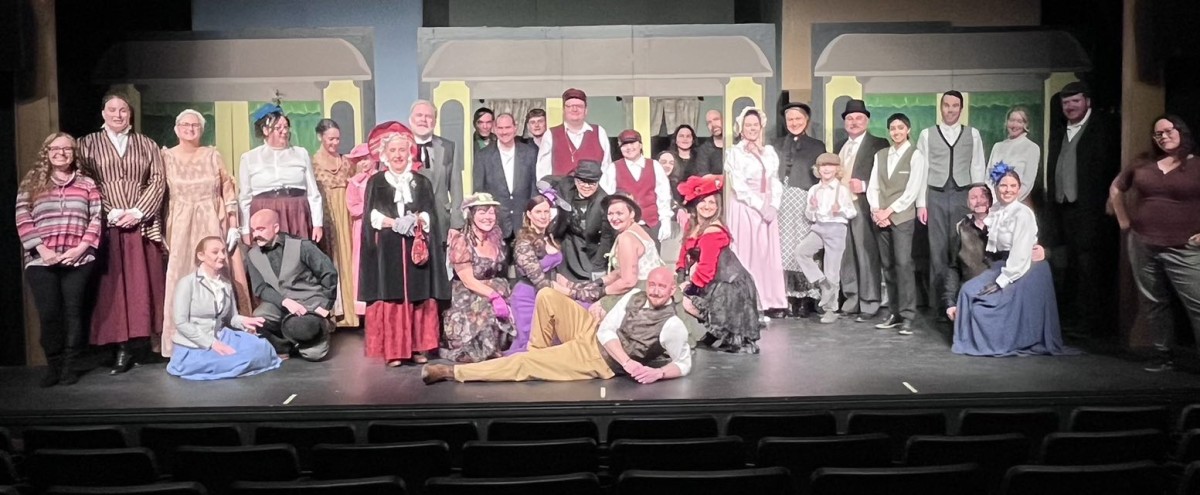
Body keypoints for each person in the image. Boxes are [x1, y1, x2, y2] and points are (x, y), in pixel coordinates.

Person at [421, 267, 692, 385]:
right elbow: (606, 329)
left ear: (672, 290)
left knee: (523, 363)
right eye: (652, 284)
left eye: (661, 287)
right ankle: (539, 355)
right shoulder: (636, 295)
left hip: (598, 358)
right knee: (547, 295)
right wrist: (629, 361)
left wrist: (658, 373)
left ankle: (453, 372)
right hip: (593, 334)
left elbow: (683, 363)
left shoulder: (672, 325)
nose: (655, 291)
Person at [76, 93, 167, 373]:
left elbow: (158, 179)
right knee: (113, 289)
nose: (118, 115)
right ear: (103, 113)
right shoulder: (86, 144)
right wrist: (111, 211)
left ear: (130, 113)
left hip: (142, 224)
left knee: (143, 286)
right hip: (107, 223)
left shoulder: (146, 144)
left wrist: (138, 212)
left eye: (123, 110)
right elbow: (84, 180)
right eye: (112, 110)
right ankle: (119, 346)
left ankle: (142, 344)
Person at [1111, 115, 1200, 372]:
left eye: (1169, 131)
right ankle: (1163, 355)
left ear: (1181, 131)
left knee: (1197, 303)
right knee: (1154, 301)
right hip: (1143, 242)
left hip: (1184, 246)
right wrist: (1124, 221)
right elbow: (1116, 188)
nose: (1163, 137)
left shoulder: (1196, 165)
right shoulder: (1144, 163)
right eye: (1158, 134)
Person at [161, 109, 251, 358]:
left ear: (201, 129)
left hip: (210, 220)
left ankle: (222, 336)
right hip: (180, 224)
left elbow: (227, 189)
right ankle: (179, 343)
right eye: (185, 125)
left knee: (216, 272)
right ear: (176, 129)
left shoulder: (212, 155)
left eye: (195, 125)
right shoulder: (166, 156)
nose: (190, 129)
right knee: (181, 278)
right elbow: (161, 193)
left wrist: (233, 224)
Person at [951, 167, 1068, 357]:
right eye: (1003, 185)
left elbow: (1020, 253)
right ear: (996, 188)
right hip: (1003, 264)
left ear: (1019, 189)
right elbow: (981, 219)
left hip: (1026, 269)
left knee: (985, 305)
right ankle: (966, 342)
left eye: (1013, 186)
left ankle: (998, 342)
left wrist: (1002, 281)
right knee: (967, 291)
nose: (1008, 190)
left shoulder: (1023, 214)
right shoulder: (996, 210)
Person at [16, 132, 102, 386]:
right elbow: (22, 217)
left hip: (78, 260)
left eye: (66, 149)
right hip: (41, 260)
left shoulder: (87, 184)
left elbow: (96, 218)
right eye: (55, 148)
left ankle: (69, 367)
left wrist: (80, 249)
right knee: (50, 314)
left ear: (74, 154)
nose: (60, 153)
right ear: (47, 153)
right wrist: (43, 250)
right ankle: (53, 366)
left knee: (73, 313)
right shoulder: (32, 183)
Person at [359, 128, 446, 366]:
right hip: (387, 248)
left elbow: (429, 213)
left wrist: (415, 220)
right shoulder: (376, 182)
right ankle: (395, 350)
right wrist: (394, 223)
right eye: (393, 150)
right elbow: (372, 216)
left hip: (416, 245)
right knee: (392, 296)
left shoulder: (421, 182)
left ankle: (417, 347)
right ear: (385, 154)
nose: (398, 155)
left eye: (402, 150)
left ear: (409, 152)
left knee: (419, 295)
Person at [1044, 82, 1119, 336]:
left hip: (1091, 210)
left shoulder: (1102, 128)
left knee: (1090, 265)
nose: (1070, 106)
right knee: (1069, 264)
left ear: (1087, 101)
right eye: (1066, 103)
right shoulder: (1059, 131)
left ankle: (1092, 323)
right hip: (1064, 209)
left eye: (1075, 101)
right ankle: (1072, 318)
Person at [167, 237, 282, 380]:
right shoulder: (187, 283)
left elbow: (231, 318)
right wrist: (212, 343)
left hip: (222, 336)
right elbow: (181, 323)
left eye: (223, 251)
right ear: (201, 255)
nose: (222, 256)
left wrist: (244, 321)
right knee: (236, 360)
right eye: (215, 252)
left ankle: (238, 362)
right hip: (195, 345)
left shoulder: (225, 284)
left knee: (262, 347)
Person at [916, 91, 986, 320]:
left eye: (955, 105)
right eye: (946, 105)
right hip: (935, 195)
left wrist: (979, 201)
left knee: (963, 248)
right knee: (937, 251)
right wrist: (921, 203)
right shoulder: (927, 134)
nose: (950, 109)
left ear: (961, 108)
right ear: (941, 107)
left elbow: (977, 166)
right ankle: (939, 306)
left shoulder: (972, 134)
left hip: (962, 195)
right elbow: (922, 170)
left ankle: (963, 303)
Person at [676, 174, 763, 353]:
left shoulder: (713, 231)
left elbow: (706, 269)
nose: (707, 206)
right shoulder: (693, 225)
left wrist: (690, 288)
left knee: (684, 299)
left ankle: (721, 333)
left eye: (712, 203)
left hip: (729, 285)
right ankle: (715, 334)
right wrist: (681, 273)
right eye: (703, 201)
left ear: (718, 207)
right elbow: (684, 251)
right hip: (716, 281)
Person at [507, 187, 599, 356]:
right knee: (530, 345)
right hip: (529, 297)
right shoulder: (524, 243)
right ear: (529, 215)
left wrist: (579, 286)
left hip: (550, 292)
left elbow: (555, 273)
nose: (543, 216)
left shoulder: (548, 237)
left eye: (546, 212)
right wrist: (574, 293)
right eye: (538, 212)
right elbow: (541, 282)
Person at [245, 209, 336, 362]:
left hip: (309, 304)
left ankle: (316, 331)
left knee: (314, 354)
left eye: (261, 229)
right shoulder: (252, 255)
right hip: (281, 304)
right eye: (253, 230)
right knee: (260, 316)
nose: (255, 235)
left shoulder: (302, 246)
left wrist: (325, 306)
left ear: (275, 228)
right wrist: (285, 302)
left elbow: (328, 273)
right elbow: (260, 288)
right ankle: (284, 346)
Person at [724, 107, 787, 319]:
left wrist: (774, 205)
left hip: (767, 206)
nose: (752, 128)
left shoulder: (768, 152)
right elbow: (739, 185)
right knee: (748, 254)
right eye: (748, 125)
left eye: (755, 125)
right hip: (746, 207)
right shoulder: (734, 153)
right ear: (741, 128)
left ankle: (771, 300)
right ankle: (749, 300)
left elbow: (774, 180)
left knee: (766, 255)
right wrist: (760, 206)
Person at [867, 114, 927, 334]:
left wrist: (889, 211)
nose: (896, 132)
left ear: (908, 130)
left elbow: (912, 190)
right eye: (892, 128)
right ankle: (894, 313)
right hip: (881, 217)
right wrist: (876, 210)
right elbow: (873, 186)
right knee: (888, 266)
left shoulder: (916, 155)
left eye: (900, 128)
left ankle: (908, 314)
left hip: (902, 217)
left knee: (903, 264)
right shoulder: (881, 155)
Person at [439, 193, 514, 363]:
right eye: (482, 212)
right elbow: (468, 281)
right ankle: (484, 350)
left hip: (494, 288)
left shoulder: (496, 235)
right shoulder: (461, 241)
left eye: (491, 212)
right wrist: (494, 296)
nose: (488, 217)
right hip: (469, 295)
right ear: (471, 214)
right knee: (487, 309)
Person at [237, 102, 324, 244]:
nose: (284, 131)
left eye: (286, 127)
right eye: (278, 128)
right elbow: (244, 198)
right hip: (263, 212)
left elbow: (313, 193)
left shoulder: (301, 154)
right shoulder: (249, 158)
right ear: (265, 130)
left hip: (296, 212)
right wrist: (245, 230)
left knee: (296, 252)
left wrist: (317, 224)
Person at [834, 99, 889, 321]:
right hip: (841, 207)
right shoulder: (840, 145)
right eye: (850, 118)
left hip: (863, 205)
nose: (854, 122)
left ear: (867, 121)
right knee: (846, 254)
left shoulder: (879, 144)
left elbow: (885, 176)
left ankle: (870, 301)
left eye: (858, 118)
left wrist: (864, 185)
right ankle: (851, 299)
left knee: (866, 253)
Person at [775, 102, 826, 318]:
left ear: (806, 120)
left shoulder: (817, 146)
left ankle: (807, 297)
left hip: (805, 199)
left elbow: (821, 176)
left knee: (803, 245)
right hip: (781, 201)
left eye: (798, 118)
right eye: (790, 119)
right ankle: (787, 296)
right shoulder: (775, 144)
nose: (794, 123)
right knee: (784, 246)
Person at [794, 154, 857, 324]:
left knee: (832, 271)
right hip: (819, 228)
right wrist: (813, 209)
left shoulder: (841, 190)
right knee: (801, 252)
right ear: (818, 169)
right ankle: (821, 281)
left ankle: (830, 309)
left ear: (837, 169)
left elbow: (852, 212)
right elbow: (809, 215)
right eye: (823, 166)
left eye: (830, 166)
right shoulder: (814, 190)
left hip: (836, 229)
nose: (826, 169)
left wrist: (840, 209)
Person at [311, 119, 359, 328]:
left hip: (345, 216)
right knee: (330, 260)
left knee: (348, 259)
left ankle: (351, 312)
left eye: (337, 139)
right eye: (330, 138)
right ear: (320, 137)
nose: (335, 143)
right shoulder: (312, 163)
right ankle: (332, 313)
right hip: (326, 215)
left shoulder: (346, 162)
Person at [409, 100, 464, 276]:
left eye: (428, 116)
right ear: (410, 119)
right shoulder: (400, 146)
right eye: (419, 115)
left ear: (435, 120)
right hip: (408, 221)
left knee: (439, 273)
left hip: (440, 221)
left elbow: (456, 187)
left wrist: (456, 223)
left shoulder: (448, 147)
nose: (423, 120)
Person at [473, 113, 538, 244]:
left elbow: (534, 188)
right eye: (500, 128)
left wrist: (533, 219)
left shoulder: (530, 153)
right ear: (494, 129)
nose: (504, 132)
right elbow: (480, 192)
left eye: (507, 127)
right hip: (496, 227)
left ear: (515, 128)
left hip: (525, 226)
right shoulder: (483, 156)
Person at [600, 129, 672, 245]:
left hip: (651, 225)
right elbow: (606, 199)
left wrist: (665, 220)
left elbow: (663, 196)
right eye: (624, 144)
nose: (629, 147)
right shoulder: (613, 168)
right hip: (624, 227)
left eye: (632, 143)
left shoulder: (655, 166)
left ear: (640, 145)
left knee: (652, 256)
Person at [550, 160, 615, 282]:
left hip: (590, 250)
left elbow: (606, 238)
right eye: (582, 181)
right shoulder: (567, 186)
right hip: (568, 245)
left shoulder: (604, 202)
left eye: (591, 183)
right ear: (575, 180)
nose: (586, 186)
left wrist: (598, 265)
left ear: (598, 182)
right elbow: (550, 180)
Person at [944, 184, 1000, 315]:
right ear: (967, 203)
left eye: (983, 196)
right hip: (971, 294)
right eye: (974, 197)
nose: (979, 201)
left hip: (997, 293)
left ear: (990, 200)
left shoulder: (1001, 225)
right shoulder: (960, 229)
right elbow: (953, 268)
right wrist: (950, 303)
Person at [536, 88, 612, 179]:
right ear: (563, 110)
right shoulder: (550, 134)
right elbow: (543, 172)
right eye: (570, 106)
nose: (574, 109)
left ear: (586, 110)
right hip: (560, 188)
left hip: (594, 187)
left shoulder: (599, 132)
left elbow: (606, 167)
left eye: (579, 106)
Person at [346, 142, 381, 316]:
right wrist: (369, 208)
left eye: (366, 159)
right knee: (361, 262)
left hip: (380, 226)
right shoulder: (355, 182)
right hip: (361, 226)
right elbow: (353, 207)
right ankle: (362, 306)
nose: (364, 163)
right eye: (359, 160)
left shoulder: (381, 178)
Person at [986, 106, 1040, 203]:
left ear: (1026, 124)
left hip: (1018, 202)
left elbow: (1027, 183)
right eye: (1011, 120)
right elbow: (988, 178)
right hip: (994, 203)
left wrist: (1009, 201)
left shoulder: (1032, 148)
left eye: (1019, 121)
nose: (1014, 125)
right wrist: (993, 201)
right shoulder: (997, 146)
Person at [694, 109, 726, 176]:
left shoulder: (737, 143)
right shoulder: (704, 149)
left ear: (725, 120)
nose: (713, 124)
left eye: (716, 119)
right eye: (709, 122)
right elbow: (704, 175)